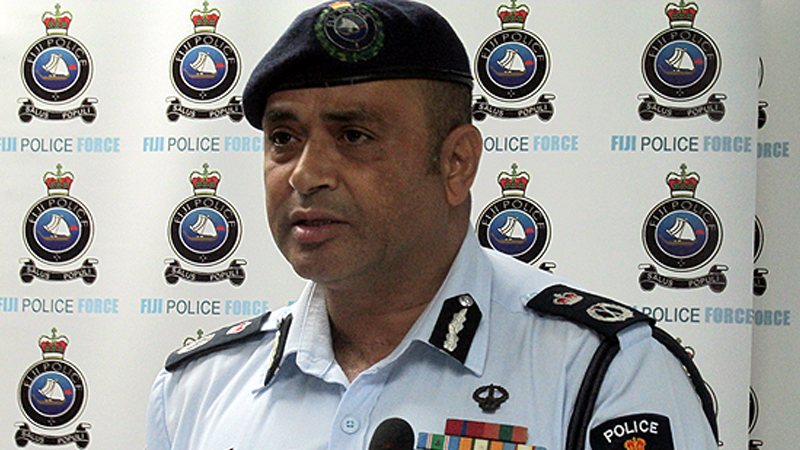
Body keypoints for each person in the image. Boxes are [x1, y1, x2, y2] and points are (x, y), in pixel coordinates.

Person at [146, 1, 718, 449]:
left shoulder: (603, 372)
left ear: (456, 163)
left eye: (353, 136)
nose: (305, 174)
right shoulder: (199, 388)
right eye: (283, 138)